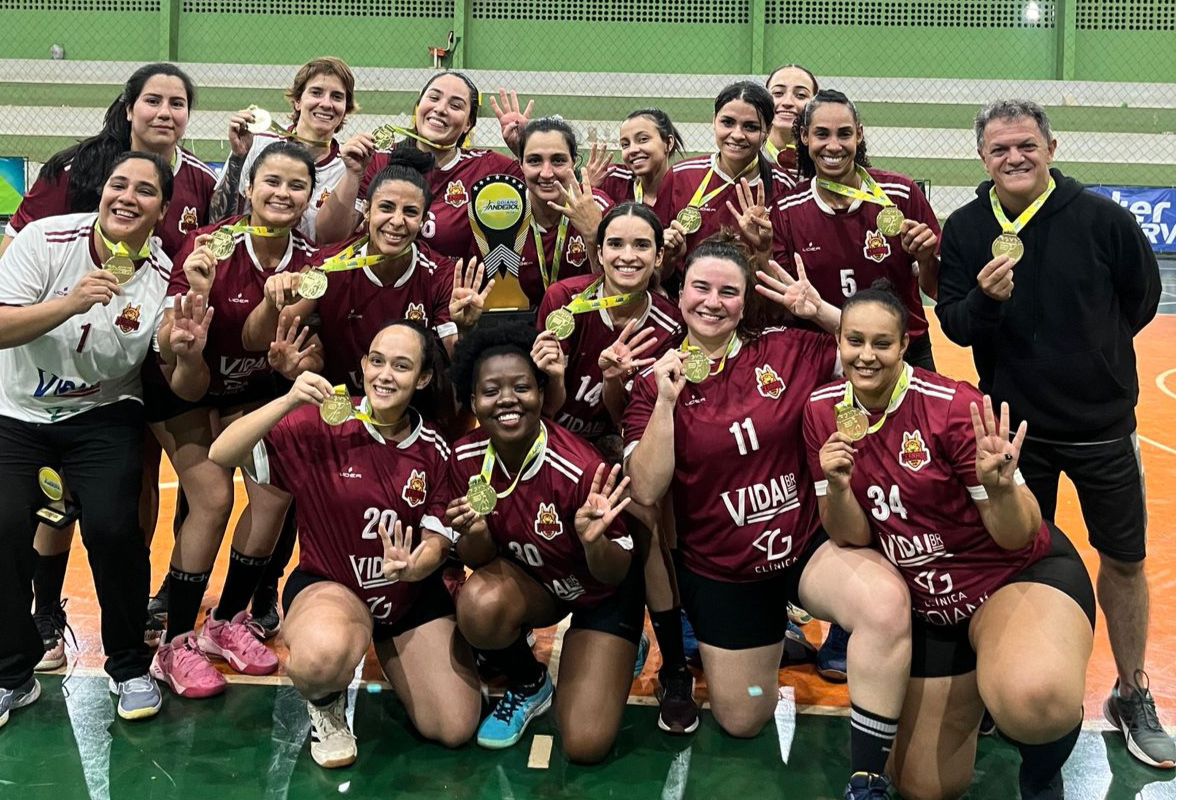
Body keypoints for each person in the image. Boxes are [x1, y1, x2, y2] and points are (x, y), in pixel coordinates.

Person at [622, 235, 912, 798]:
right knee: (741, 719)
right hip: (725, 567)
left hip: (804, 547)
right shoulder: (653, 381)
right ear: (678, 294)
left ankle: (867, 775)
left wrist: (821, 310)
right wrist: (664, 402)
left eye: (727, 291)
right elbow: (648, 487)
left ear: (744, 300)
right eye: (700, 288)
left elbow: (873, 356)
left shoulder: (785, 349)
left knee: (884, 606)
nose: (712, 301)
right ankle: (771, 634)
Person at [936, 98, 1171, 770]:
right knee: (1012, 559)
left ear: (1051, 146)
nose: (1014, 157)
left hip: (1101, 426)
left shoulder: (1103, 219)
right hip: (1013, 432)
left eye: (1026, 146)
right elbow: (954, 323)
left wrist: (1091, 355)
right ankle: (998, 679)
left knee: (1123, 560)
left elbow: (1140, 299)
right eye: (1000, 148)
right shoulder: (968, 227)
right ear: (982, 157)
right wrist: (985, 300)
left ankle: (1131, 692)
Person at [804, 282, 1095, 799]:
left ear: (905, 343)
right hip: (930, 604)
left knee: (1035, 699)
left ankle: (1041, 772)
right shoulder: (822, 410)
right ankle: (981, 691)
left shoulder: (952, 406)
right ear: (839, 342)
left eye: (882, 343)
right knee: (924, 788)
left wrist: (1002, 489)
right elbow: (850, 535)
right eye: (855, 341)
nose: (866, 356)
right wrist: (841, 488)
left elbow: (1018, 533)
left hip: (1007, 575)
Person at [3, 63, 217, 665]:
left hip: (127, 375)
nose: (165, 112)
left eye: (178, 103)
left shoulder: (193, 198)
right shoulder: (61, 199)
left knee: (120, 510)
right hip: (34, 384)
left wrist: (184, 348)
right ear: (128, 108)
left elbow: (183, 349)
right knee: (37, 509)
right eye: (153, 100)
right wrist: (63, 304)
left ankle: (147, 638)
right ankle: (38, 628)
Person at [208, 321, 479, 768]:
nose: (385, 375)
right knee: (320, 659)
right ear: (362, 365)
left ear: (424, 378)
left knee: (453, 728)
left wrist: (412, 568)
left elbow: (434, 542)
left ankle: (389, 651)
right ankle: (327, 702)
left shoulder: (435, 450)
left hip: (407, 596)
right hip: (333, 586)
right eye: (376, 361)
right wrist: (289, 398)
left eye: (401, 365)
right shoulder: (321, 424)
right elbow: (221, 453)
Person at [148, 141, 319, 698]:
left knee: (273, 492)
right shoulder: (208, 244)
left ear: (309, 196)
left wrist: (274, 308)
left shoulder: (310, 263)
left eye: (297, 185)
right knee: (215, 498)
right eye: (272, 181)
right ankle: (174, 643)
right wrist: (195, 301)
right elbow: (179, 361)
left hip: (247, 383)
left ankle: (225, 621)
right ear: (248, 186)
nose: (283, 193)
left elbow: (255, 340)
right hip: (182, 384)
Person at [446, 323, 641, 761]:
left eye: (521, 386)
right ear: (474, 400)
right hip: (540, 584)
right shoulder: (463, 459)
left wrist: (593, 543)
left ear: (541, 393)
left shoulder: (581, 468)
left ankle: (617, 648)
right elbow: (478, 558)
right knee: (477, 606)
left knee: (585, 744)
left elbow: (617, 571)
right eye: (491, 390)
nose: (507, 399)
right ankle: (529, 683)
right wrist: (474, 534)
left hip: (602, 590)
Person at [536, 202, 696, 731]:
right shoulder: (564, 301)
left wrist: (612, 384)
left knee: (649, 515)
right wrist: (559, 376)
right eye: (617, 245)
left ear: (658, 256)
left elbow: (634, 420)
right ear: (598, 251)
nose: (628, 256)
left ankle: (675, 666)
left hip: (620, 446)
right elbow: (545, 404)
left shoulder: (672, 321)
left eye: (641, 246)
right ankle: (513, 647)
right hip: (559, 442)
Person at [242, 147, 484, 391]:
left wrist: (466, 329)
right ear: (367, 211)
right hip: (339, 409)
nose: (397, 221)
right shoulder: (329, 265)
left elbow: (458, 364)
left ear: (423, 221)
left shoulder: (440, 275)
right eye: (386, 208)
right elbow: (254, 340)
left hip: (408, 410)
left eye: (410, 212)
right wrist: (271, 304)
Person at [765, 89, 941, 369]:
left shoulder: (901, 194)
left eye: (844, 134)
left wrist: (926, 258)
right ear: (804, 137)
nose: (833, 146)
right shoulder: (786, 211)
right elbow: (783, 305)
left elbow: (936, 289)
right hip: (824, 352)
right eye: (822, 134)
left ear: (859, 135)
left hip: (903, 350)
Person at [315, 71, 523, 259]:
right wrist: (353, 174)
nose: (441, 109)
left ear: (468, 123)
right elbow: (328, 237)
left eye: (456, 105)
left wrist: (522, 147)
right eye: (433, 97)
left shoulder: (487, 167)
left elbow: (547, 196)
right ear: (418, 106)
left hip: (447, 293)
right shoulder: (377, 160)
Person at [654, 82, 796, 281]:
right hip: (691, 304)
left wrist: (764, 250)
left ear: (768, 130)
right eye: (728, 122)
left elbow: (789, 279)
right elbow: (656, 267)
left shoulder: (785, 187)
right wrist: (669, 256)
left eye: (751, 127)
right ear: (714, 121)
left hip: (760, 306)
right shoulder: (680, 176)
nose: (737, 135)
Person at [210, 56, 359, 240]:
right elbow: (217, 221)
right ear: (297, 101)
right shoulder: (258, 143)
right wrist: (238, 157)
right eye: (316, 92)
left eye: (337, 97)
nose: (326, 104)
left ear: (346, 107)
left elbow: (337, 242)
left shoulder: (350, 166)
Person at [596, 108, 686, 209]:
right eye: (625, 144)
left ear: (668, 143)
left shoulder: (687, 189)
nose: (632, 150)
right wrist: (590, 186)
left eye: (643, 139)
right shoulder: (612, 181)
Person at [763, 64, 818, 176]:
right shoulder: (748, 156)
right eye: (778, 93)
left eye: (801, 95)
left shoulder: (822, 160)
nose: (787, 102)